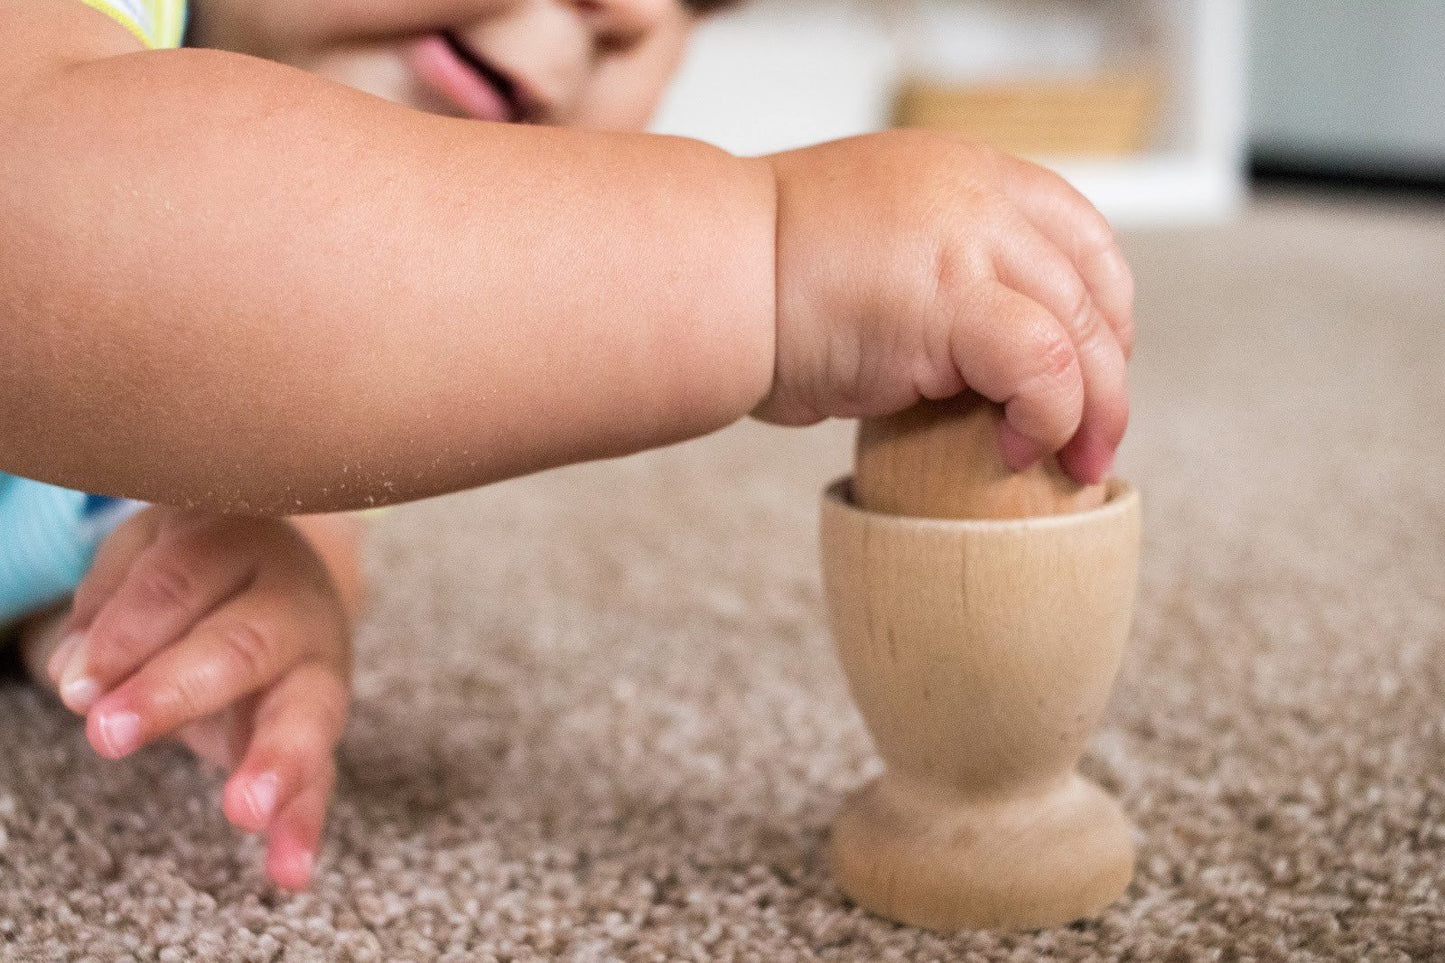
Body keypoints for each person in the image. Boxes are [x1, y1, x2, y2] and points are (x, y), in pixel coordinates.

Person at [0, 0, 1134, 890]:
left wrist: (261, 581)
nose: (630, 11)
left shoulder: (335, 362)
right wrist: (756, 258)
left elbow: (271, 453)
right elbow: (43, 211)